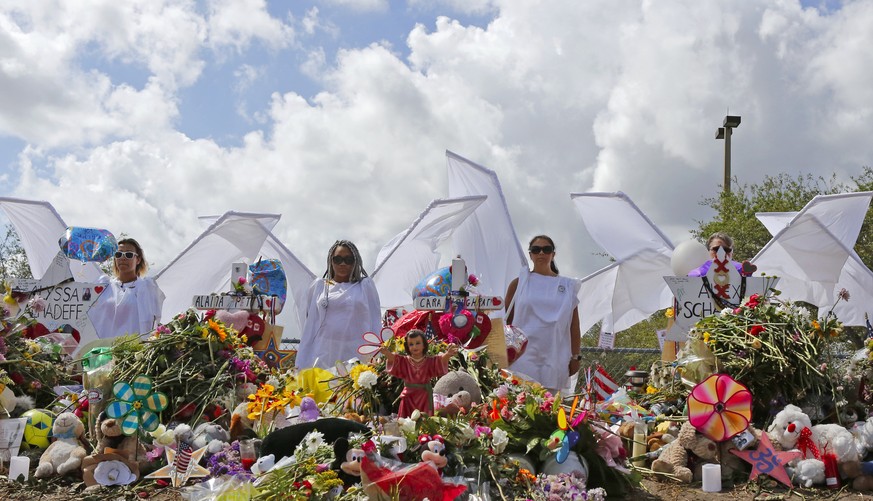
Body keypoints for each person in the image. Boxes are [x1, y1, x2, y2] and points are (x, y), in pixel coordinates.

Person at [504, 235, 581, 392]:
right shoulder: (519, 283)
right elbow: (507, 322)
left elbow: (574, 325)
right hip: (522, 358)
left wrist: (575, 357)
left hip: (554, 357)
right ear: (530, 254)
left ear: (553, 254)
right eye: (536, 249)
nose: (541, 253)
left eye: (546, 249)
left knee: (550, 410)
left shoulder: (567, 286)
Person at [296, 240, 381, 369]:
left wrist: (377, 353)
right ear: (331, 260)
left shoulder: (365, 287)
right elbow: (311, 325)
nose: (342, 264)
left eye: (348, 260)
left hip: (356, 353)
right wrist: (304, 357)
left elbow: (375, 322)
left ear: (355, 261)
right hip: (323, 353)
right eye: (338, 259)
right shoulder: (319, 287)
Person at [89, 238, 165, 338]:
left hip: (133, 349)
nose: (123, 258)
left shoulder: (146, 287)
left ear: (138, 259)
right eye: (118, 254)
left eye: (129, 255)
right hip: (102, 349)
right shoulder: (104, 285)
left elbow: (151, 321)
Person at [380, 329, 458, 417]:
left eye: (418, 343)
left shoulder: (429, 361)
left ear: (424, 345)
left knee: (424, 420)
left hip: (424, 396)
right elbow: (394, 359)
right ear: (407, 347)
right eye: (411, 344)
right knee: (406, 420)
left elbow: (440, 360)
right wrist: (386, 353)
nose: (414, 347)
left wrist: (448, 354)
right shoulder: (404, 361)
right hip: (408, 396)